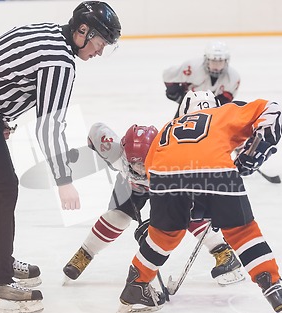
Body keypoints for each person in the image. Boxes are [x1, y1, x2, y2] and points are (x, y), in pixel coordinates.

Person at [0, 1, 121, 313]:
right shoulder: (60, 61)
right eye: (100, 42)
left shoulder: (47, 32)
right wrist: (64, 180)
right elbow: (49, 126)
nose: (100, 51)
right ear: (83, 31)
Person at [117, 91, 282, 313]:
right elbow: (272, 110)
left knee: (163, 236)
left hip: (165, 175)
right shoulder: (224, 113)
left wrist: (166, 219)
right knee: (242, 233)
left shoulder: (168, 127)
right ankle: (273, 288)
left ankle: (135, 286)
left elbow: (154, 174)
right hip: (215, 171)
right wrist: (254, 152)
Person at [62, 120, 245, 286]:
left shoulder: (172, 160)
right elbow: (96, 130)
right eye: (135, 163)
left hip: (165, 187)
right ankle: (85, 253)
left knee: (188, 214)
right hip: (130, 186)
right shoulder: (113, 150)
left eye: (144, 162)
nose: (140, 168)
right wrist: (92, 145)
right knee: (117, 218)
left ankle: (223, 252)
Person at [163, 41, 240, 107]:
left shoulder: (233, 78)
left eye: (220, 62)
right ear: (207, 60)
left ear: (226, 62)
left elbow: (225, 101)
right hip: (189, 104)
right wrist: (177, 95)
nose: (216, 66)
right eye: (213, 62)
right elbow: (168, 76)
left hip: (212, 110)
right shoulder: (191, 67)